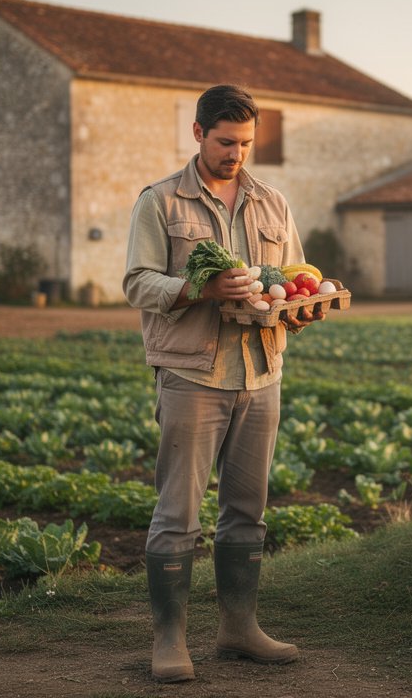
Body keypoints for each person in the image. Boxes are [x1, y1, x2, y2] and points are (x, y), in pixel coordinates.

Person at [122, 84, 321, 683]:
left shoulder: (271, 201)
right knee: (179, 512)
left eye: (246, 143)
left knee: (247, 510)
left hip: (261, 373)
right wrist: (200, 289)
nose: (237, 153)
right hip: (191, 375)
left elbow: (291, 274)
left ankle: (238, 628)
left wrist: (302, 307)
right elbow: (137, 283)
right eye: (226, 141)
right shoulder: (160, 202)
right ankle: (169, 640)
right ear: (198, 133)